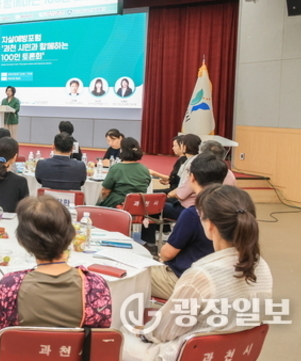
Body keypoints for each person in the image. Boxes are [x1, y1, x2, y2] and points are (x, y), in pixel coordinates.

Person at [122, 185, 272, 361]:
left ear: (210, 226)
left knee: (119, 334)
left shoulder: (201, 276)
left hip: (186, 354)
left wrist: (142, 332)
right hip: (232, 353)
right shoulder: (261, 266)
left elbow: (162, 333)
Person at [0, 196, 112, 356]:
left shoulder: (10, 285)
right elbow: (99, 343)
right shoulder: (95, 285)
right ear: (71, 234)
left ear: (23, 241)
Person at [149, 154, 228, 299]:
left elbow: (167, 254)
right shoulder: (235, 209)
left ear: (192, 178)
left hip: (187, 281)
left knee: (133, 274)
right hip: (221, 281)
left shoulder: (193, 213)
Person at [96, 137, 151, 208]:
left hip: (118, 203)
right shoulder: (144, 169)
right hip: (139, 204)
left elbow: (105, 191)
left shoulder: (116, 168)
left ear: (122, 150)